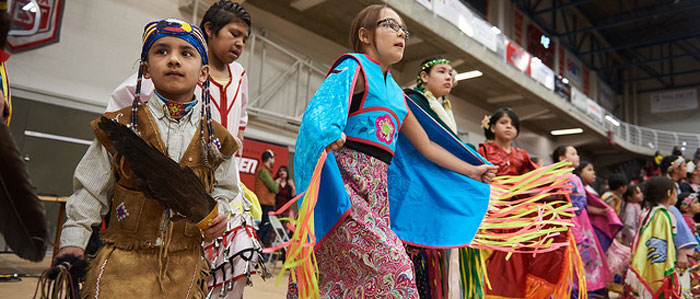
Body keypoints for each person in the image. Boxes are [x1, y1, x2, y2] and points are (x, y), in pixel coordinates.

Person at [287, 5, 499, 298]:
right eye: (390, 25)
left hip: (377, 195)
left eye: (404, 30)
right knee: (395, 270)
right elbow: (320, 110)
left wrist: (472, 170)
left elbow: (427, 146)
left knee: (347, 279)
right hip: (346, 191)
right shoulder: (354, 67)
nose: (401, 33)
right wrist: (330, 131)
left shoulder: (397, 94)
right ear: (365, 35)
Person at [56, 19, 240, 297]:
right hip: (121, 263)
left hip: (184, 268)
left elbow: (225, 190)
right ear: (145, 69)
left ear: (203, 74)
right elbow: (90, 192)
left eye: (186, 53)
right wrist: (74, 241)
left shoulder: (217, 140)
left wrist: (221, 214)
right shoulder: (119, 128)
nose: (174, 60)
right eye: (162, 51)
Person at [108, 0, 250, 144]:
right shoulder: (178, 70)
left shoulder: (239, 74)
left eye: (245, 40)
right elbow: (121, 101)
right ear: (209, 29)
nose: (240, 43)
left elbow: (241, 120)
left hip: (225, 161)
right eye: (234, 34)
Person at [477, 109, 581, 299]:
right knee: (499, 258)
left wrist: (557, 191)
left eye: (513, 124)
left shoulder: (521, 155)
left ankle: (527, 290)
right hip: (493, 213)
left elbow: (536, 179)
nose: (509, 126)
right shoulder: (483, 150)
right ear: (492, 127)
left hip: (519, 215)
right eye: (503, 122)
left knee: (532, 246)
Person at [552, 146, 613, 297]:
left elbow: (584, 205)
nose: (577, 156)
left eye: (577, 153)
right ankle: (571, 291)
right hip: (569, 222)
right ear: (561, 158)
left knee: (587, 257)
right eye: (573, 154)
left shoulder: (576, 178)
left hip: (583, 222)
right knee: (571, 258)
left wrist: (601, 212)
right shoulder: (557, 176)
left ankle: (585, 289)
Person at [623, 177, 680, 298]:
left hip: (648, 260)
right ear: (669, 193)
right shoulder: (662, 215)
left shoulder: (649, 212)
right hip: (657, 265)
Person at [575, 161, 622, 253]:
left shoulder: (589, 189)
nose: (593, 173)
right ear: (580, 172)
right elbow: (583, 207)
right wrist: (602, 211)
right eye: (589, 170)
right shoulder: (579, 189)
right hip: (583, 227)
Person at [675, 192, 700, 298]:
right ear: (686, 208)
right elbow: (687, 241)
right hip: (689, 259)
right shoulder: (686, 220)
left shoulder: (687, 220)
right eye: (696, 202)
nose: (699, 204)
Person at [255, 149, 278, 245]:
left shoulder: (265, 171)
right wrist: (277, 183)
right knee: (263, 227)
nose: (274, 161)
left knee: (265, 227)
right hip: (265, 204)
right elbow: (275, 188)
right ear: (269, 158)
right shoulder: (264, 171)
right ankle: (257, 246)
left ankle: (259, 248)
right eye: (273, 158)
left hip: (265, 203)